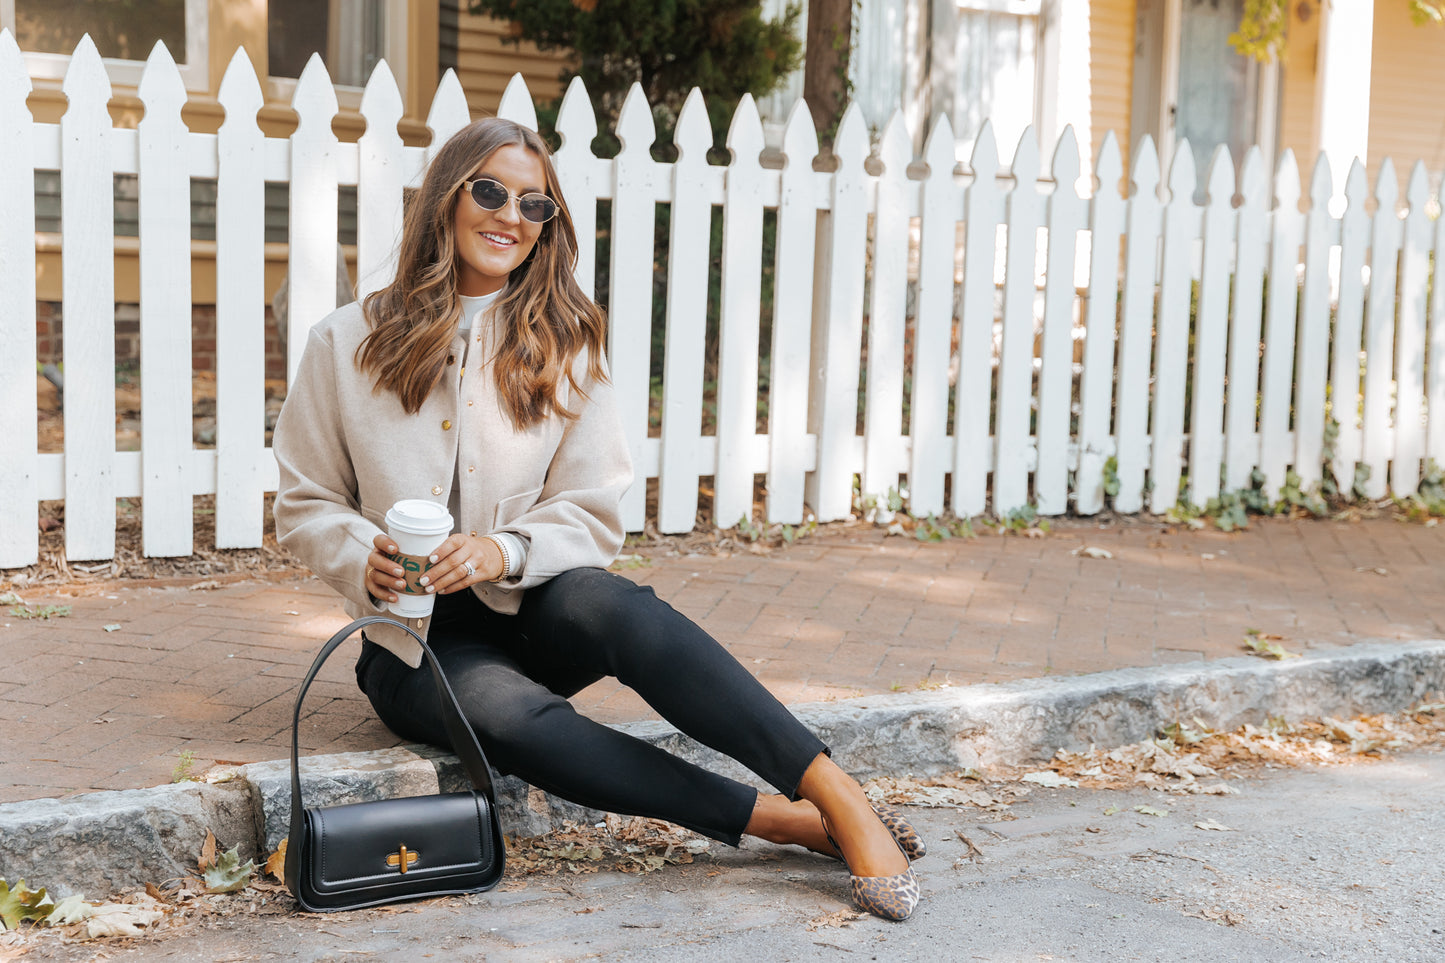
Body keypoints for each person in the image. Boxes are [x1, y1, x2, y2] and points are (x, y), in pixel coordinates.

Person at [272, 117, 923, 921]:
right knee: (512, 718)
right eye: (489, 191)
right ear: (445, 200)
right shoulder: (344, 342)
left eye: (533, 205)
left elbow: (594, 507)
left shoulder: (565, 341)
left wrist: (502, 550)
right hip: (413, 647)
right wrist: (358, 552)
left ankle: (834, 790)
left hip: (529, 606)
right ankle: (774, 820)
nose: (509, 215)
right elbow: (303, 502)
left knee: (612, 603)